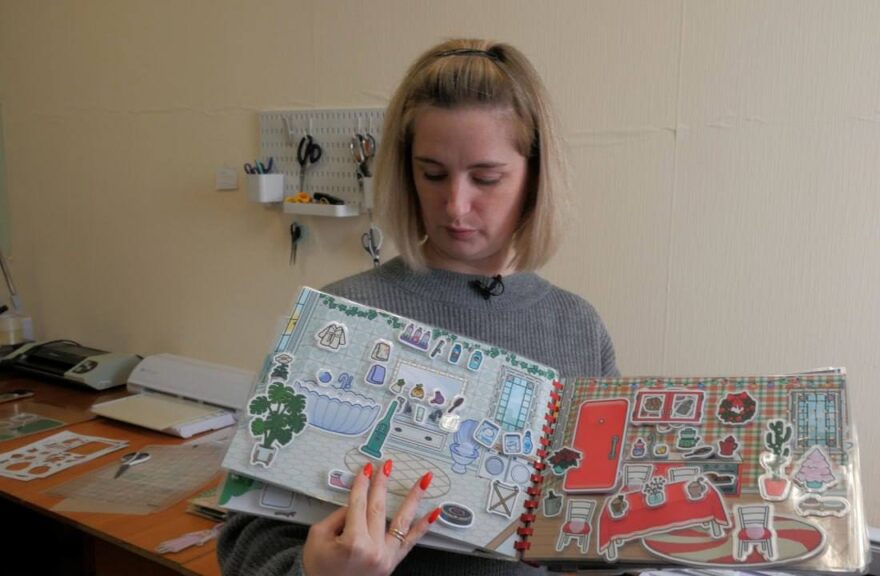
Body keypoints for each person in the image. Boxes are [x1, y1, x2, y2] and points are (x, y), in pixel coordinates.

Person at [218, 38, 618, 576]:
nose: (455, 205)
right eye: (432, 173)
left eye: (486, 178)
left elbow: (597, 536)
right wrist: (315, 571)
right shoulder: (343, 314)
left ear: (535, 176)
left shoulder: (577, 328)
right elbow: (244, 543)